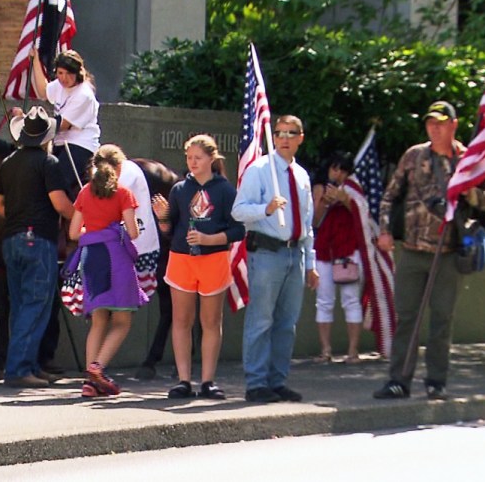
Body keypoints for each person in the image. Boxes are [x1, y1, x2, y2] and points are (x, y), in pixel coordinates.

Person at [373, 101, 485, 401]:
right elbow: (390, 196)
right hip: (414, 251)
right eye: (430, 123)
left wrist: (470, 192)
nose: (434, 127)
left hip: (449, 253)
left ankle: (436, 381)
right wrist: (386, 230)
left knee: (442, 319)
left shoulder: (469, 159)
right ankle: (398, 381)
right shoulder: (414, 155)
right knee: (407, 317)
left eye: (441, 123)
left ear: (453, 125)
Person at [232, 115, 319, 403]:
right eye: (279, 133)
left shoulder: (302, 176)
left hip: (295, 253)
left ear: (300, 138)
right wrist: (265, 209)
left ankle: (277, 381)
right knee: (261, 320)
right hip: (267, 253)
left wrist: (311, 265)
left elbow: (307, 224)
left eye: (290, 133)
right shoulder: (260, 170)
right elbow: (238, 211)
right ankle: (256, 383)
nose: (283, 138)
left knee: (287, 322)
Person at [152, 134, 244, 399]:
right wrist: (163, 219)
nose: (192, 162)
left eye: (198, 158)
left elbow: (237, 230)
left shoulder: (225, 190)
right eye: (189, 158)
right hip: (182, 259)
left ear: (211, 159)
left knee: (211, 321)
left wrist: (209, 239)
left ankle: (207, 381)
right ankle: (183, 380)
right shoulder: (180, 189)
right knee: (181, 320)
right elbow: (171, 230)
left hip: (213, 260)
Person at [0, 106, 74, 389]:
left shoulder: (9, 162)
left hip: (12, 239)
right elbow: (60, 204)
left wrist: (17, 214)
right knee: (36, 305)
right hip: (38, 239)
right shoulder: (48, 163)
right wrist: (82, 216)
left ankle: (30, 366)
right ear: (46, 137)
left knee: (22, 306)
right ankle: (19, 369)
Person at [65, 144, 148, 397]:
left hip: (91, 258)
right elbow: (133, 233)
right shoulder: (123, 193)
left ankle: (90, 383)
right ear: (119, 167)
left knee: (98, 320)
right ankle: (97, 367)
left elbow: (72, 234)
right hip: (115, 258)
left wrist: (94, 234)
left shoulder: (84, 193)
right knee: (122, 320)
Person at [312, 151, 363, 364]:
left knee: (351, 299)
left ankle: (353, 351)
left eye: (342, 170)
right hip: (325, 249)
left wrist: (345, 199)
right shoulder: (319, 188)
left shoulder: (354, 189)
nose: (338, 173)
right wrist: (324, 201)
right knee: (324, 300)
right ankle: (326, 350)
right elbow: (314, 221)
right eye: (335, 168)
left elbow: (363, 216)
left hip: (349, 249)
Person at [26, 48, 101, 191]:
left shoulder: (84, 94)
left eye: (69, 73)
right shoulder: (60, 85)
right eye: (60, 73)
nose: (64, 78)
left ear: (78, 73)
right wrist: (35, 60)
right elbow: (43, 91)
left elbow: (62, 125)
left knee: (57, 184)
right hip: (60, 143)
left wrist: (29, 122)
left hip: (80, 145)